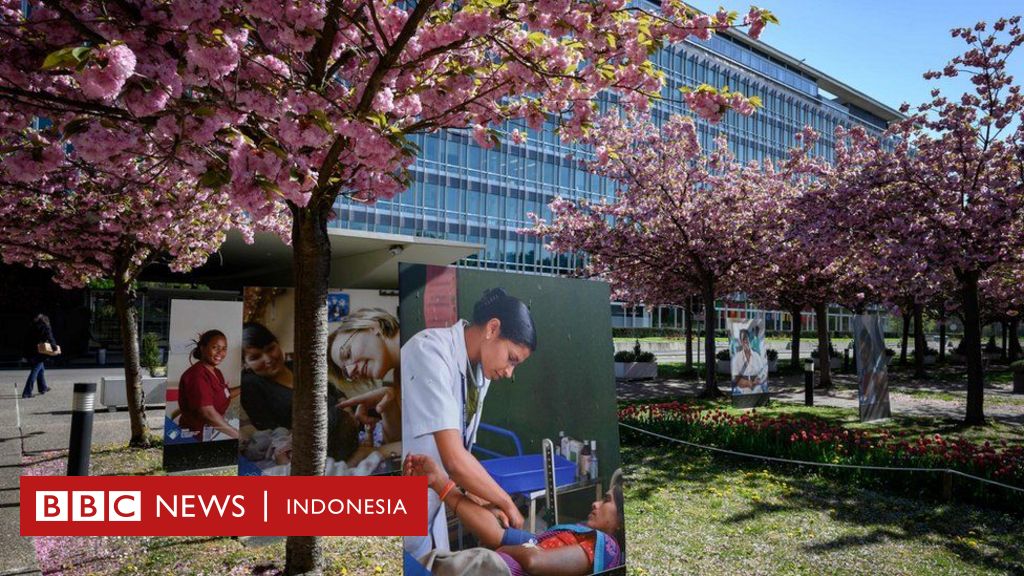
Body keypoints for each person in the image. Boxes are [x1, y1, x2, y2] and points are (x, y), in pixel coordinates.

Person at [399, 287, 538, 563]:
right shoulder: (429, 352)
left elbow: (461, 449)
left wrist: (483, 499)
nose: (510, 373)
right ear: (492, 328)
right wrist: (505, 502)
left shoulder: (480, 373)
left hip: (429, 509)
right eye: (511, 359)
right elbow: (454, 459)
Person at [405, 453, 625, 576]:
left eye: (606, 500)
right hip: (496, 563)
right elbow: (497, 535)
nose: (596, 503)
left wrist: (503, 548)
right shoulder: (571, 535)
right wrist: (441, 485)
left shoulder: (605, 547)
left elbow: (533, 560)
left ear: (622, 522)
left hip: (499, 567)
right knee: (428, 563)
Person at [240, 322, 358, 463]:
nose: (268, 359)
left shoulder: (297, 365)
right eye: (255, 357)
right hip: (318, 439)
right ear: (245, 364)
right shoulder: (250, 384)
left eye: (270, 349)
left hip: (350, 420)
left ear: (278, 344)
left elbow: (333, 389)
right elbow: (269, 428)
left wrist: (348, 408)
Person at [328, 309, 402, 444]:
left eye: (347, 354)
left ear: (372, 326)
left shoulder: (422, 343)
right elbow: (399, 444)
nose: (351, 373)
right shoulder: (400, 377)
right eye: (345, 372)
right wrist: (387, 404)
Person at [178, 329, 238, 440]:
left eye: (224, 349)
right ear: (202, 348)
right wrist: (236, 434)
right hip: (195, 436)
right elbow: (207, 413)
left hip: (212, 430)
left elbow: (223, 393)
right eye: (215, 348)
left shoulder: (216, 372)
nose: (221, 353)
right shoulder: (196, 376)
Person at [22, 314, 59, 399]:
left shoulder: (32, 327)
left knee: (41, 370)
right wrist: (55, 348)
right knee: (35, 371)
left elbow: (25, 340)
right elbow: (50, 338)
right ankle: (27, 392)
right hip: (39, 352)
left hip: (30, 352)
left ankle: (43, 388)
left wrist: (24, 354)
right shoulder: (45, 327)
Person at [731, 328, 766, 394]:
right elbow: (735, 378)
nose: (746, 341)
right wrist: (747, 383)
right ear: (741, 342)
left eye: (748, 338)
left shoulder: (756, 356)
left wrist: (758, 379)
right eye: (744, 339)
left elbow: (763, 372)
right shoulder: (737, 358)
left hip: (757, 388)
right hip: (742, 390)